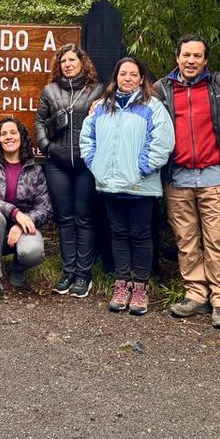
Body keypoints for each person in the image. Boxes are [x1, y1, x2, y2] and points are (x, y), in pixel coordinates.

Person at [154, 35, 220, 330]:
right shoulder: (161, 89)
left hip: (215, 174)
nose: (191, 61)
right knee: (187, 241)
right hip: (177, 176)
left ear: (206, 60)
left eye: (197, 56)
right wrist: (102, 99)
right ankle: (195, 293)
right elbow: (132, 100)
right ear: (177, 57)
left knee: (219, 240)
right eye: (186, 55)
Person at [80, 56, 174, 316]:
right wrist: (96, 164)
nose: (128, 78)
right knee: (118, 234)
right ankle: (121, 284)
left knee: (141, 235)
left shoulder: (152, 106)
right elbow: (87, 138)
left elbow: (162, 142)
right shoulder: (102, 107)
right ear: (116, 77)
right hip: (110, 185)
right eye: (123, 74)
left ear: (142, 78)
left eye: (134, 74)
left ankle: (140, 287)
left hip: (140, 186)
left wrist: (141, 169)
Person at [34, 43, 103, 298]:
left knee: (84, 217)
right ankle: (68, 272)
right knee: (64, 218)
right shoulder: (50, 90)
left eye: (72, 60)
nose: (68, 64)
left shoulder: (97, 90)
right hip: (57, 163)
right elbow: (40, 121)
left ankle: (83, 275)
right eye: (63, 61)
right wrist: (46, 146)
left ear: (82, 63)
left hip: (86, 163)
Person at [0, 118, 51, 301]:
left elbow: (45, 208)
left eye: (13, 132)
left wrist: (21, 223)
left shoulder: (34, 169)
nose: (9, 137)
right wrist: (15, 213)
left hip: (22, 230)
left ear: (21, 137)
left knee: (33, 252)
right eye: (3, 134)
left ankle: (18, 268)